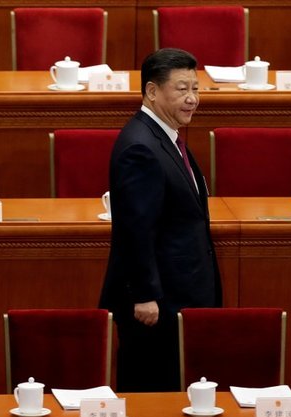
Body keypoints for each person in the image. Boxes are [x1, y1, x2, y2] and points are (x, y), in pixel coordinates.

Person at [99, 48, 222, 392]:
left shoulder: (164, 138)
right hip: (156, 305)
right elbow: (135, 228)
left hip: (176, 296)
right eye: (182, 89)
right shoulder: (141, 146)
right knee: (152, 393)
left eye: (195, 89)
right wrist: (144, 295)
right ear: (152, 91)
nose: (192, 99)